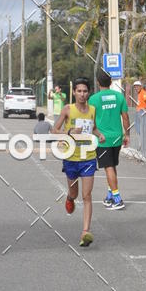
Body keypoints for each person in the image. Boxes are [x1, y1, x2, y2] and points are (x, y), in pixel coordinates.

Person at [52, 78, 104, 247]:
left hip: (88, 157)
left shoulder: (93, 110)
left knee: (87, 195)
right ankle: (69, 197)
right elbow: (54, 131)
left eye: (85, 91)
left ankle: (85, 232)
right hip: (71, 158)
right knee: (74, 193)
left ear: (89, 93)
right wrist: (69, 131)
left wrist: (99, 134)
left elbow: (93, 127)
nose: (82, 94)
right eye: (79, 91)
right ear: (74, 92)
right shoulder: (68, 109)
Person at [89, 69, 130, 210]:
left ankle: (118, 199)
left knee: (108, 167)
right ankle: (110, 196)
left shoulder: (93, 99)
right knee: (111, 166)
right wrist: (127, 134)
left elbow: (91, 120)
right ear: (111, 82)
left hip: (103, 138)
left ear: (98, 82)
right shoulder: (119, 96)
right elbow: (125, 117)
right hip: (117, 137)